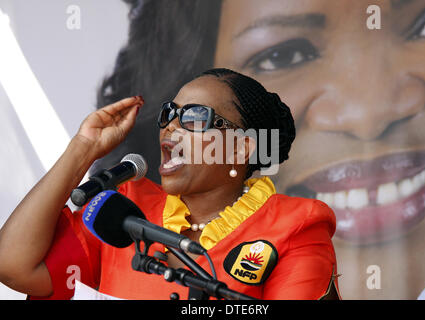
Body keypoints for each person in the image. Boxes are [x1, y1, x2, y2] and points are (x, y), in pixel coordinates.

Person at [94, 0, 425, 299]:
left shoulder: (303, 224)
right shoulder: (126, 214)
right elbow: (36, 270)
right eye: (283, 55)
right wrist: (81, 151)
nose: (368, 114)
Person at [0, 68, 340, 300]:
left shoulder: (296, 226)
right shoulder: (125, 211)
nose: (171, 127)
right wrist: (83, 150)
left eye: (193, 117)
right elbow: (14, 265)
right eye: (170, 114)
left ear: (241, 146)